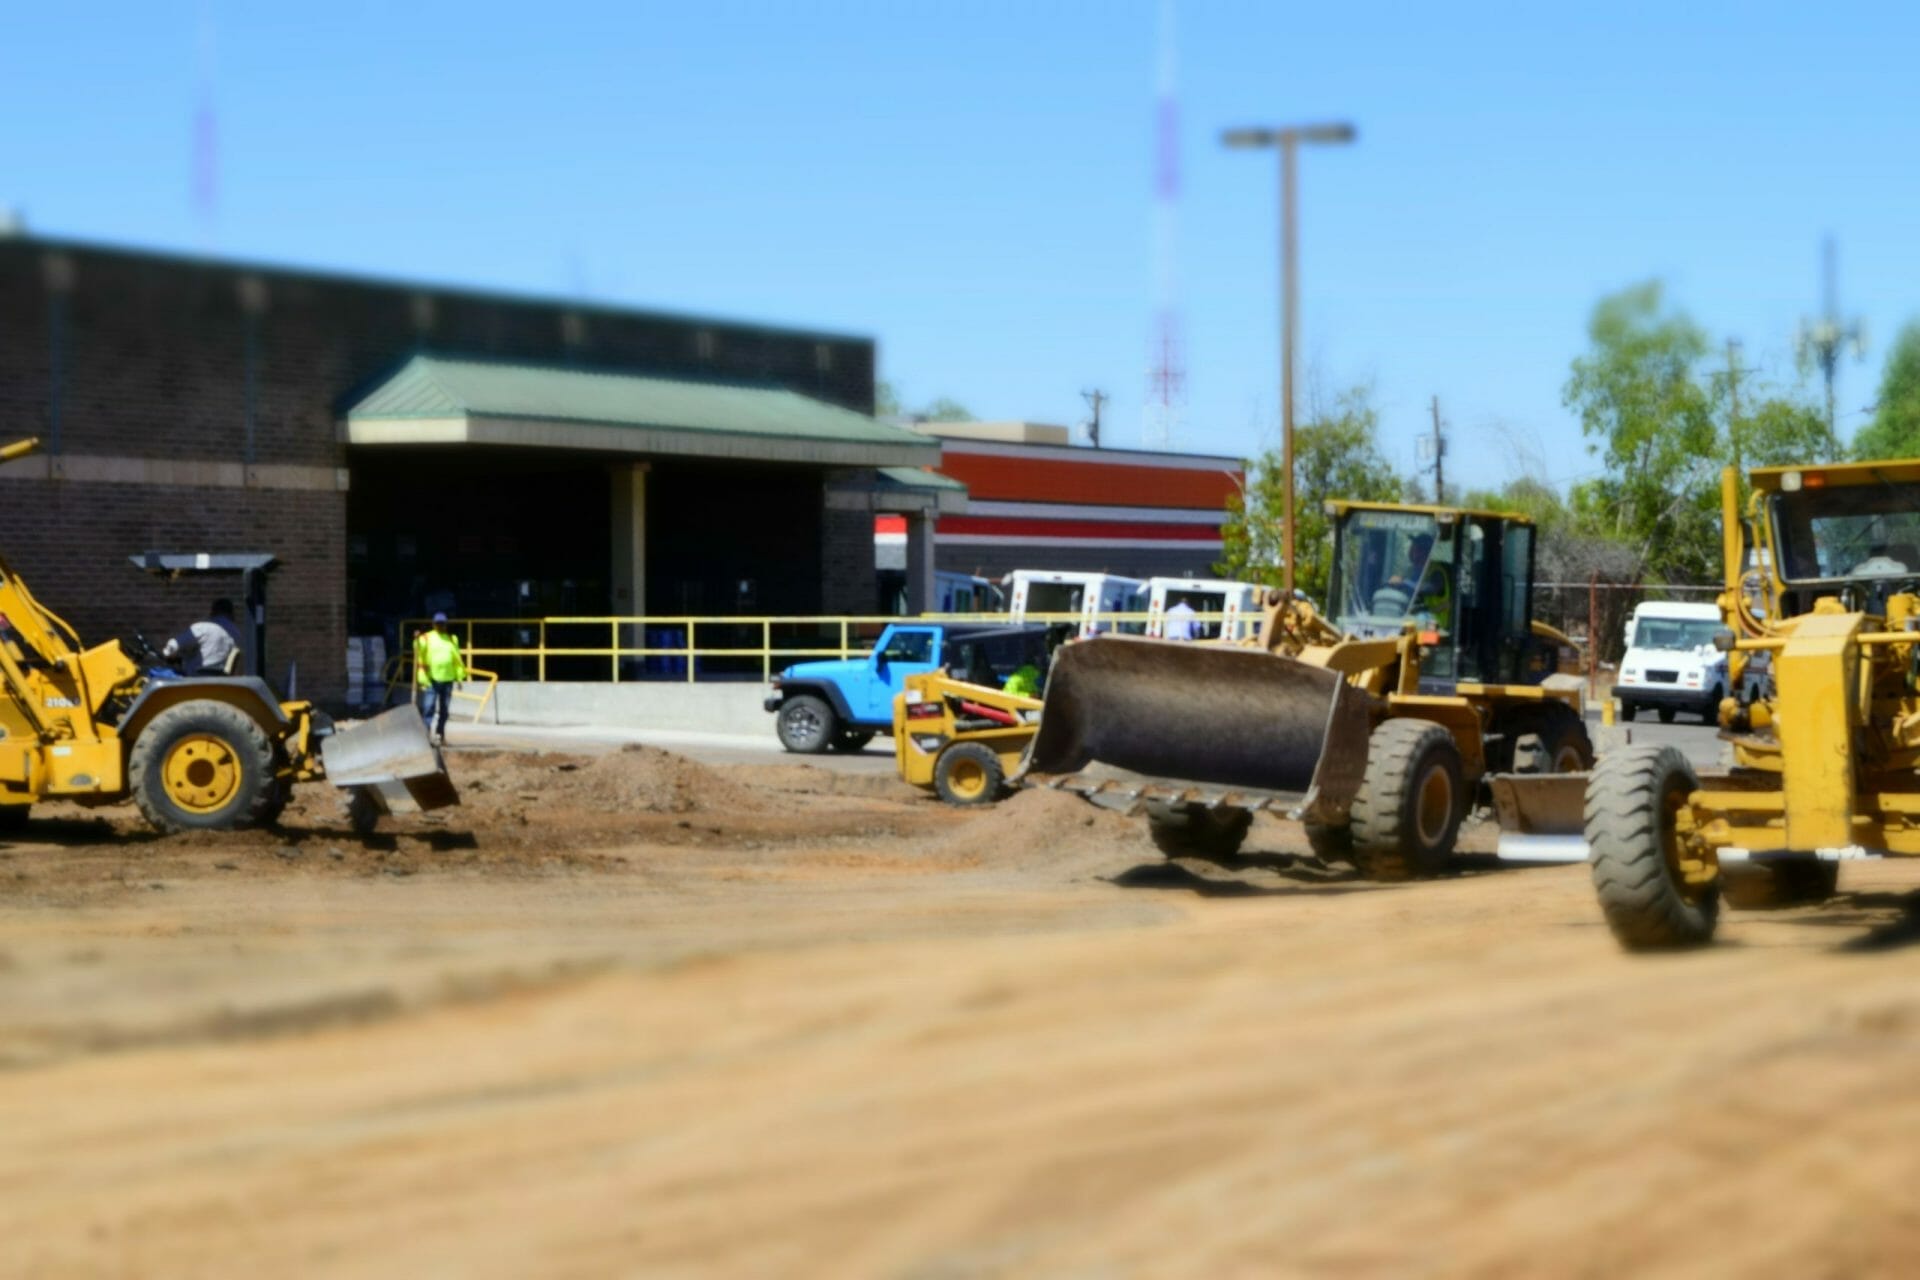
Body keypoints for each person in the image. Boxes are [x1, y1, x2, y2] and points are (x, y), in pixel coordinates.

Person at [414, 612, 468, 745]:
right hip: (431, 679)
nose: (440, 626)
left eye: (442, 623)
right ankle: (426, 736)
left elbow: (456, 660)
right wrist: (416, 639)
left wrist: (460, 677)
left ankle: (440, 734)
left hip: (448, 680)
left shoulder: (451, 639)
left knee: (444, 710)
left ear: (445, 625)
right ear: (434, 624)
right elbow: (418, 648)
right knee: (428, 708)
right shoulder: (426, 638)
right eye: (438, 623)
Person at [162, 598, 240, 675]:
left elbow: (173, 647)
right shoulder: (236, 634)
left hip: (196, 681)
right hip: (222, 682)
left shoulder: (202, 628)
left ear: (212, 612)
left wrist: (167, 653)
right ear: (232, 613)